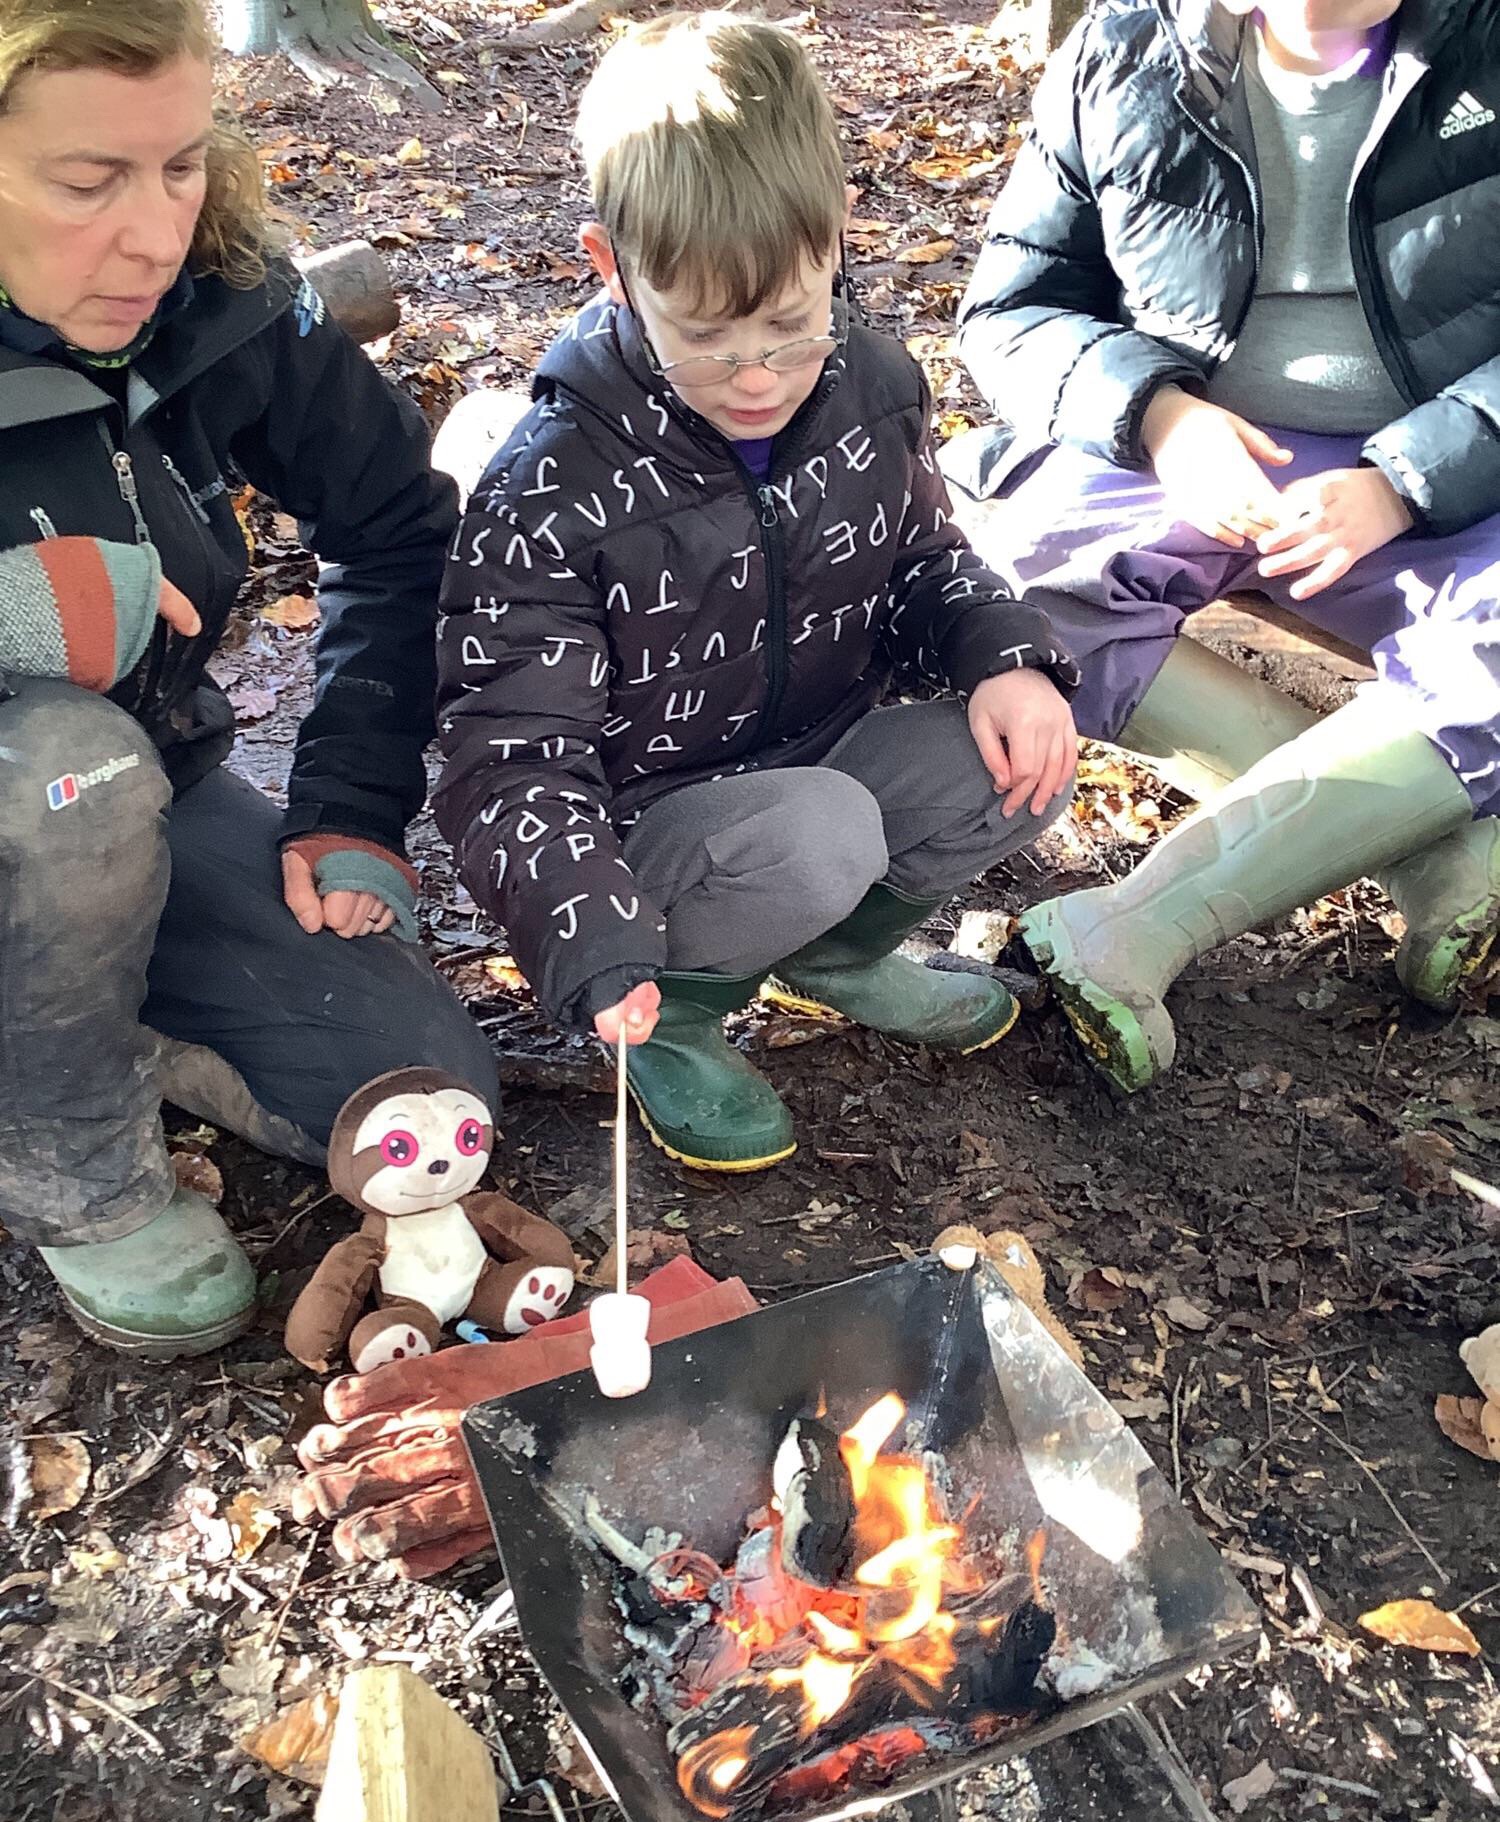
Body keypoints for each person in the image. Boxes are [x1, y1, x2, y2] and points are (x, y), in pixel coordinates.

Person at [433, 11, 1079, 1174]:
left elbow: (926, 560)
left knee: (1019, 754)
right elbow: (512, 755)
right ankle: (679, 1017)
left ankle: (832, 954)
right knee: (818, 835)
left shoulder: (870, 384)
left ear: (834, 244)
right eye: (706, 336)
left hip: (819, 759)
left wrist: (1001, 653)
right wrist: (589, 933)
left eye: (788, 324)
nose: (757, 376)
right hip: (647, 837)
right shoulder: (554, 484)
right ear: (611, 268)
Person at [0, 0, 495, 1358]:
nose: (155, 233)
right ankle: (76, 1161)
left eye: (178, 162)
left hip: (138, 791)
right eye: (88, 181)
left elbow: (398, 525)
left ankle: (70, 1017)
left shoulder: (218, 293)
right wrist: (12, 615)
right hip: (58, 787)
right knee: (65, 764)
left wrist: (346, 800)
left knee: (419, 1099)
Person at [953, 0, 1500, 1092]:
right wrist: (1160, 416)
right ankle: (1431, 857)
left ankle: (1134, 922)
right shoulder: (1121, 50)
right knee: (1006, 596)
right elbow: (1008, 309)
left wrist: (1406, 480)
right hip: (1183, 451)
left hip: (1446, 467)